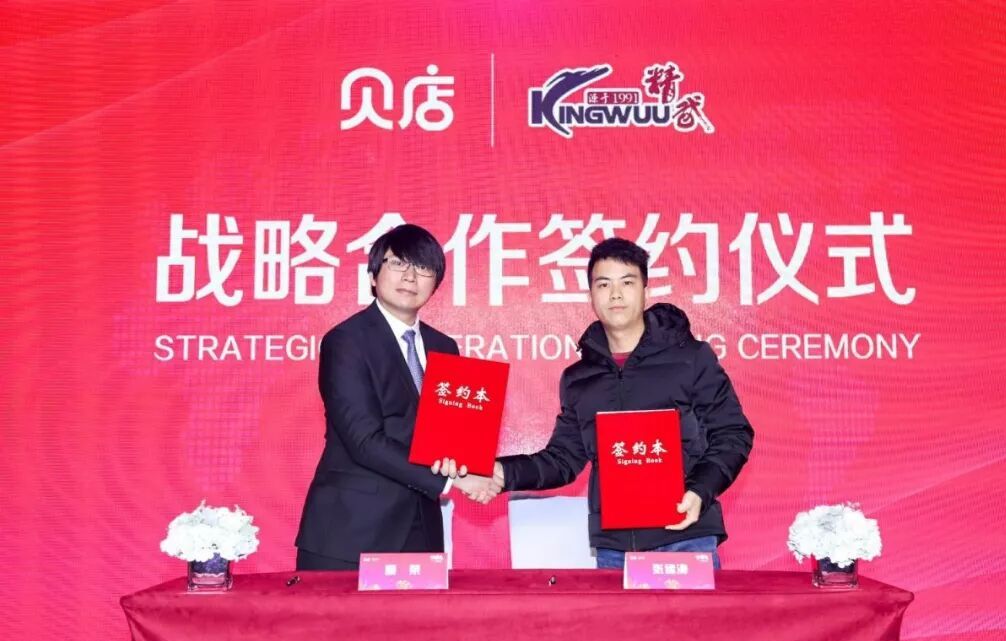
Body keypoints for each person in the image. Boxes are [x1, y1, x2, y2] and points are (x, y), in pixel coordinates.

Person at [460, 237, 754, 569]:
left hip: (685, 536)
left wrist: (700, 490)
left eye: (627, 282)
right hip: (614, 550)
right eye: (604, 284)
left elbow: (733, 433)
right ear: (591, 296)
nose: (615, 294)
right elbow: (563, 459)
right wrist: (500, 472)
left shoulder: (691, 357)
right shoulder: (578, 379)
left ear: (645, 291)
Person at [295, 224, 498, 571]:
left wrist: (469, 465)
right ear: (373, 275)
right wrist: (455, 480)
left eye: (423, 268)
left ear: (436, 284)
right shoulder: (346, 341)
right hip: (350, 533)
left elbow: (450, 439)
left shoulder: (444, 347)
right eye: (398, 263)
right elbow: (363, 441)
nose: (410, 276)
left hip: (421, 530)